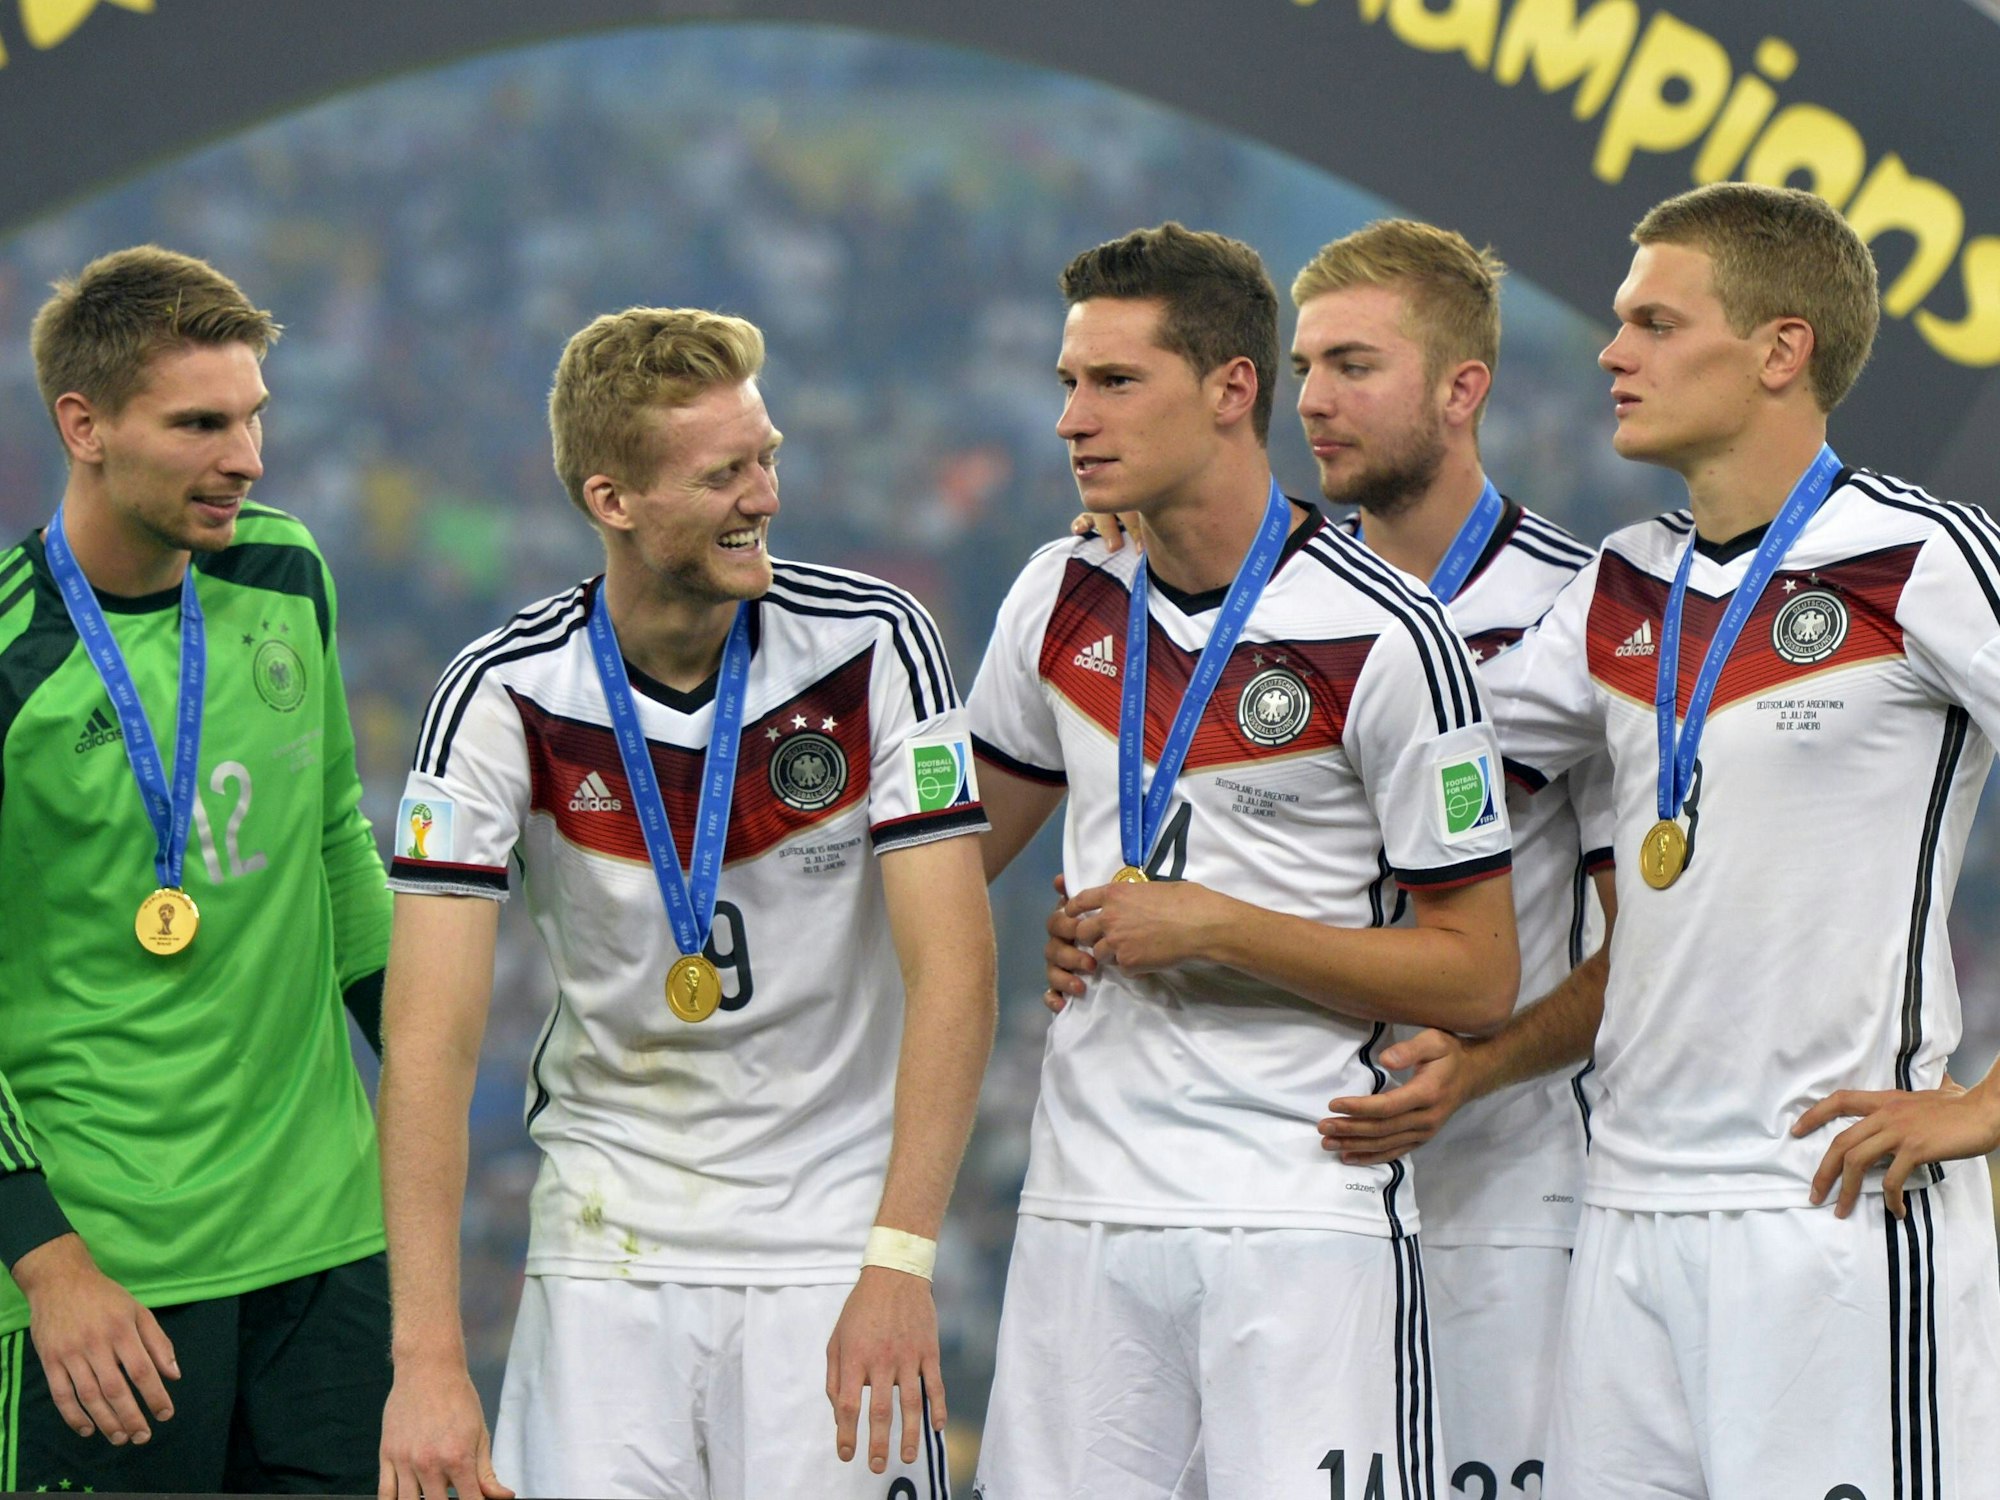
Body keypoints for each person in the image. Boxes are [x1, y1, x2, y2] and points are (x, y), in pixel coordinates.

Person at [1371, 182, 2000, 1495]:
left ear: (1782, 350)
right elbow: (1422, 752)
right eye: (1618, 323)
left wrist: (1988, 1105)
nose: (1613, 352)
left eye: (1655, 322)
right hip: (1628, 1208)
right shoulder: (1623, 579)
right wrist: (1189, 560)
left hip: (1824, 1204)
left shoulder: (1920, 556)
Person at [375, 306, 996, 1500]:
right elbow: (429, 1044)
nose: (764, 494)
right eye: (724, 474)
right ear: (613, 500)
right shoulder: (502, 693)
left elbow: (955, 972)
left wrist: (902, 1261)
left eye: (766, 456)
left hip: (832, 1245)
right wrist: (428, 1361)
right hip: (603, 1261)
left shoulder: (872, 647)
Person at [965, 222, 1519, 1498]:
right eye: (1066, 383)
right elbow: (948, 860)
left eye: (1113, 383)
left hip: (1298, 1210)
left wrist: (1214, 927)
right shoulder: (1060, 592)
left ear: (1230, 390)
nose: (1070, 420)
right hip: (1083, 1206)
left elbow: (1477, 973)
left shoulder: (1384, 633)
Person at [0, 245, 393, 1493]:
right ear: (86, 425)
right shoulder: (11, 659)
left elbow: (336, 847)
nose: (248, 459)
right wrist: (48, 1264)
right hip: (109, 1281)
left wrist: (424, 1089)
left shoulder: (284, 571)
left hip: (326, 1252)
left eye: (254, 418)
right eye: (201, 424)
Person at [1283, 218, 1614, 1490]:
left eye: (1354, 364)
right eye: (1304, 364)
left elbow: (1637, 945)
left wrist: (1480, 1069)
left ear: (1461, 388)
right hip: (1293, 1185)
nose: (1312, 401)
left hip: (1504, 1201)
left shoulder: (1579, 613)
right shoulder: (1269, 605)